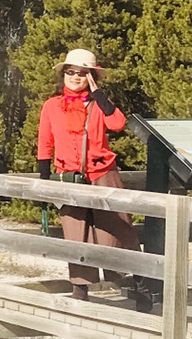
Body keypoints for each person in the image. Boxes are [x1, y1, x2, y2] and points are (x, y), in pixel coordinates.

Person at [35, 49, 151, 311]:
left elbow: (118, 123)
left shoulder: (99, 104)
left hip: (103, 175)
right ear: (63, 74)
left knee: (119, 231)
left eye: (82, 73)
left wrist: (100, 96)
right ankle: (80, 292)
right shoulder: (52, 105)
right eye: (71, 72)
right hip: (70, 179)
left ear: (91, 76)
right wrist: (45, 179)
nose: (75, 77)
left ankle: (139, 284)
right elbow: (45, 142)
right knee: (76, 235)